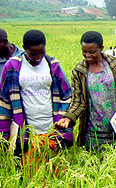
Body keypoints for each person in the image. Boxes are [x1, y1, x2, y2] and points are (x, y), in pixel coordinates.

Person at [55, 31, 116, 149]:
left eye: (92, 52)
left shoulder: (115, 65)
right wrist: (68, 117)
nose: (87, 55)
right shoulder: (79, 72)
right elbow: (78, 101)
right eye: (84, 51)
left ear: (101, 48)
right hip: (93, 133)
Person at [0, 29, 73, 164]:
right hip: (25, 132)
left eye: (41, 53)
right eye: (33, 54)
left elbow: (67, 96)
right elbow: (4, 102)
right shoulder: (12, 66)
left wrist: (62, 123)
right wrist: (4, 134)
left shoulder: (53, 65)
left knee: (54, 171)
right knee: (29, 171)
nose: (37, 58)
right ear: (24, 49)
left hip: (50, 130)